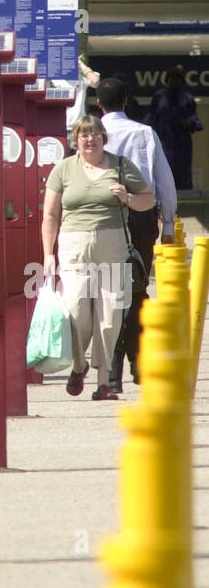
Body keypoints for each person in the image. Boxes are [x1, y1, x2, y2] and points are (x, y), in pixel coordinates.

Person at [42, 115, 155, 400]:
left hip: (112, 245)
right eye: (83, 134)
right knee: (76, 310)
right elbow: (50, 215)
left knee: (109, 318)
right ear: (75, 139)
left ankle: (103, 382)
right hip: (73, 246)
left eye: (94, 134)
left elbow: (148, 199)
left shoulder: (120, 166)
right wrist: (47, 254)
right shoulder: (64, 169)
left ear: (103, 137)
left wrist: (127, 198)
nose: (89, 139)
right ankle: (79, 366)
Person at [96, 76, 177, 390]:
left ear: (99, 104)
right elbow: (164, 181)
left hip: (105, 220)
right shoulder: (145, 133)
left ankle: (114, 373)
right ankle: (138, 362)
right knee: (137, 289)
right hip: (142, 218)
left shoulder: (92, 134)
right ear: (126, 101)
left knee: (111, 293)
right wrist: (168, 225)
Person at [145, 64, 203, 190]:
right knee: (163, 170)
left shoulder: (187, 98)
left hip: (182, 144)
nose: (174, 81)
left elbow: (194, 119)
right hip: (164, 141)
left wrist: (190, 124)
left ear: (182, 81)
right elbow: (151, 116)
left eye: (177, 78)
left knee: (182, 173)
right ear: (167, 80)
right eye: (171, 78)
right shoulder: (160, 96)